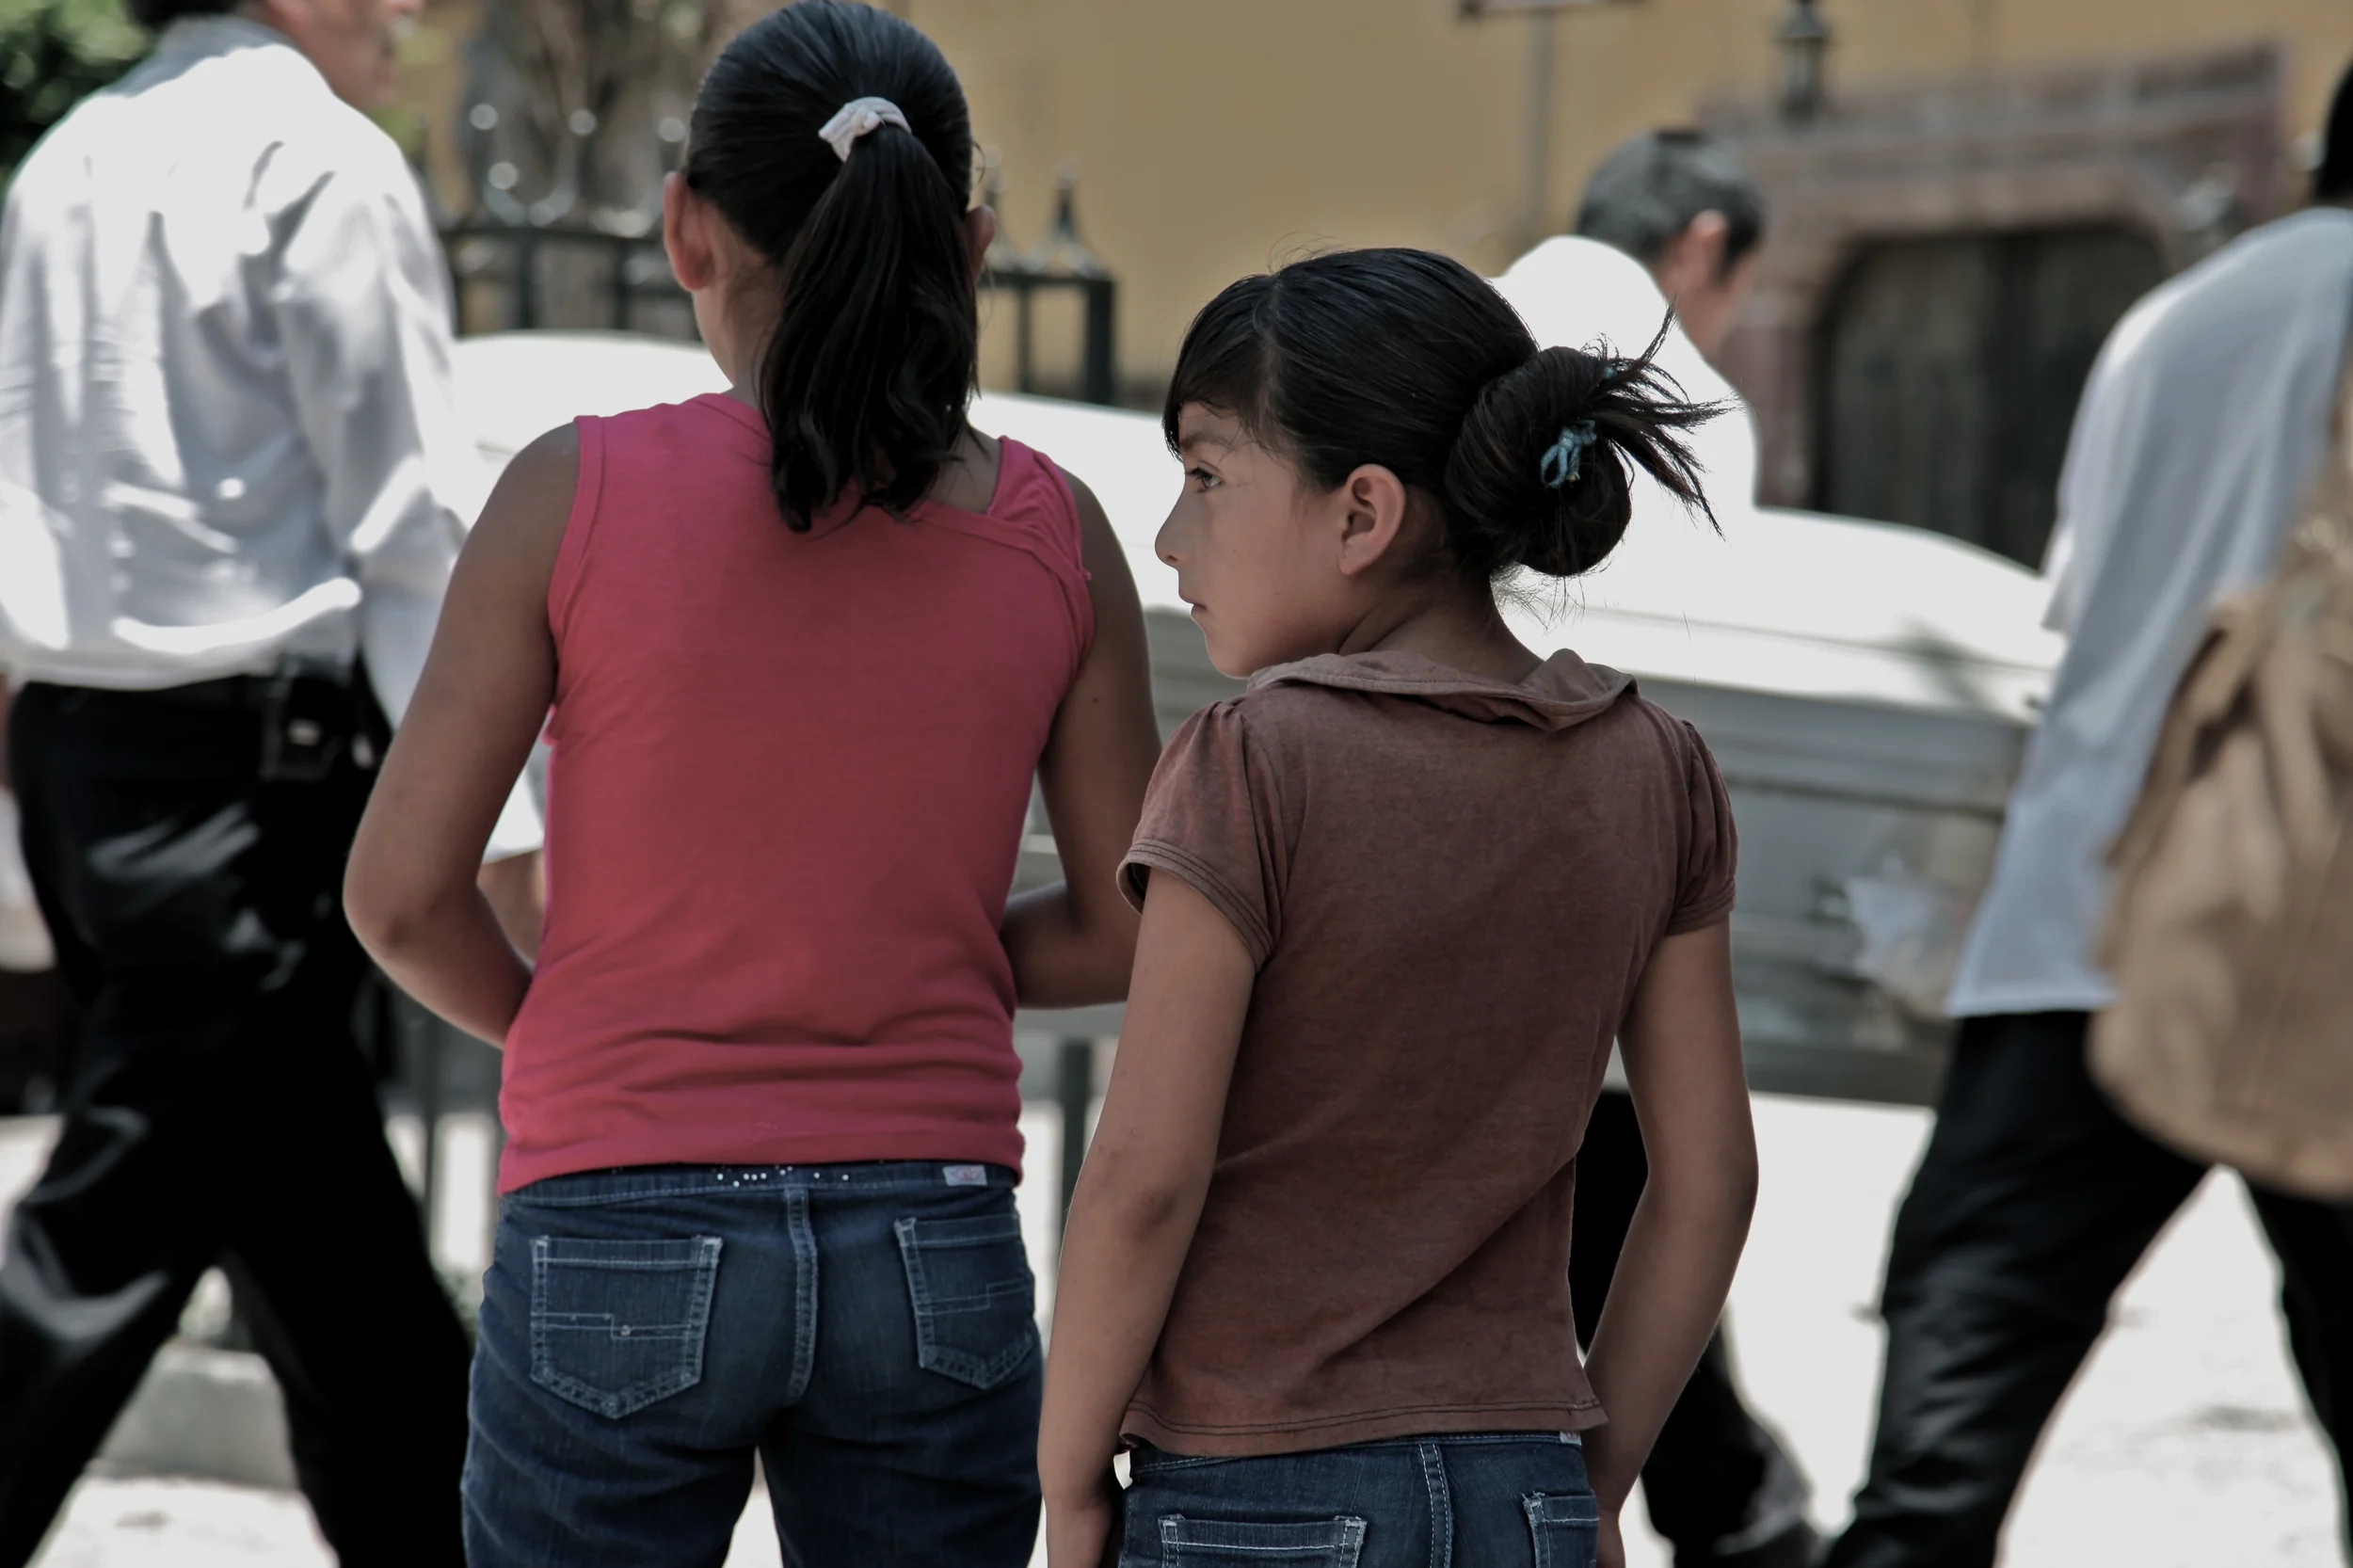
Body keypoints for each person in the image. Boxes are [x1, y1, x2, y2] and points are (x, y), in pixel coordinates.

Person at [341, 5, 1161, 1564]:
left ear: (686, 229)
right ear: (972, 245)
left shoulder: (566, 494)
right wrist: (917, 964)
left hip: (616, 1211)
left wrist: (581, 1013)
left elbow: (394, 895)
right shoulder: (1058, 533)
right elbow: (1134, 924)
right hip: (932, 1234)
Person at [1037, 248, 1758, 1568]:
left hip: (1255, 1491)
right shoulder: (1658, 768)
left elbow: (1142, 1177)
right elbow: (1708, 1182)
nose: (1169, 535)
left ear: (1362, 512)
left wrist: (1071, 1475)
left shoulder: (1249, 761)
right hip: (1524, 1483)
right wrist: (1596, 1478)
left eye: (1205, 475)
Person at [0, 1, 545, 1561]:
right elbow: (412, 530)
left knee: (322, 1250)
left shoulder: (64, 157)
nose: (415, 16)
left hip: (89, 764)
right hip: (246, 782)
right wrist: (507, 836)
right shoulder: (321, 162)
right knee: (110, 1230)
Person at [1822, 61, 2353, 1568]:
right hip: (2319, 948)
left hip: (2086, 913)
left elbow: (2085, 608)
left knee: (1936, 1466)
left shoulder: (2169, 317)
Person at [1496, 130, 1817, 1568]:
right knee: (1640, 1192)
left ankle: (1716, 1493)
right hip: (1619, 860)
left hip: (1417, 836)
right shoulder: (1693, 399)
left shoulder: (1471, 319)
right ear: (1701, 248)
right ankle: (1707, 1500)